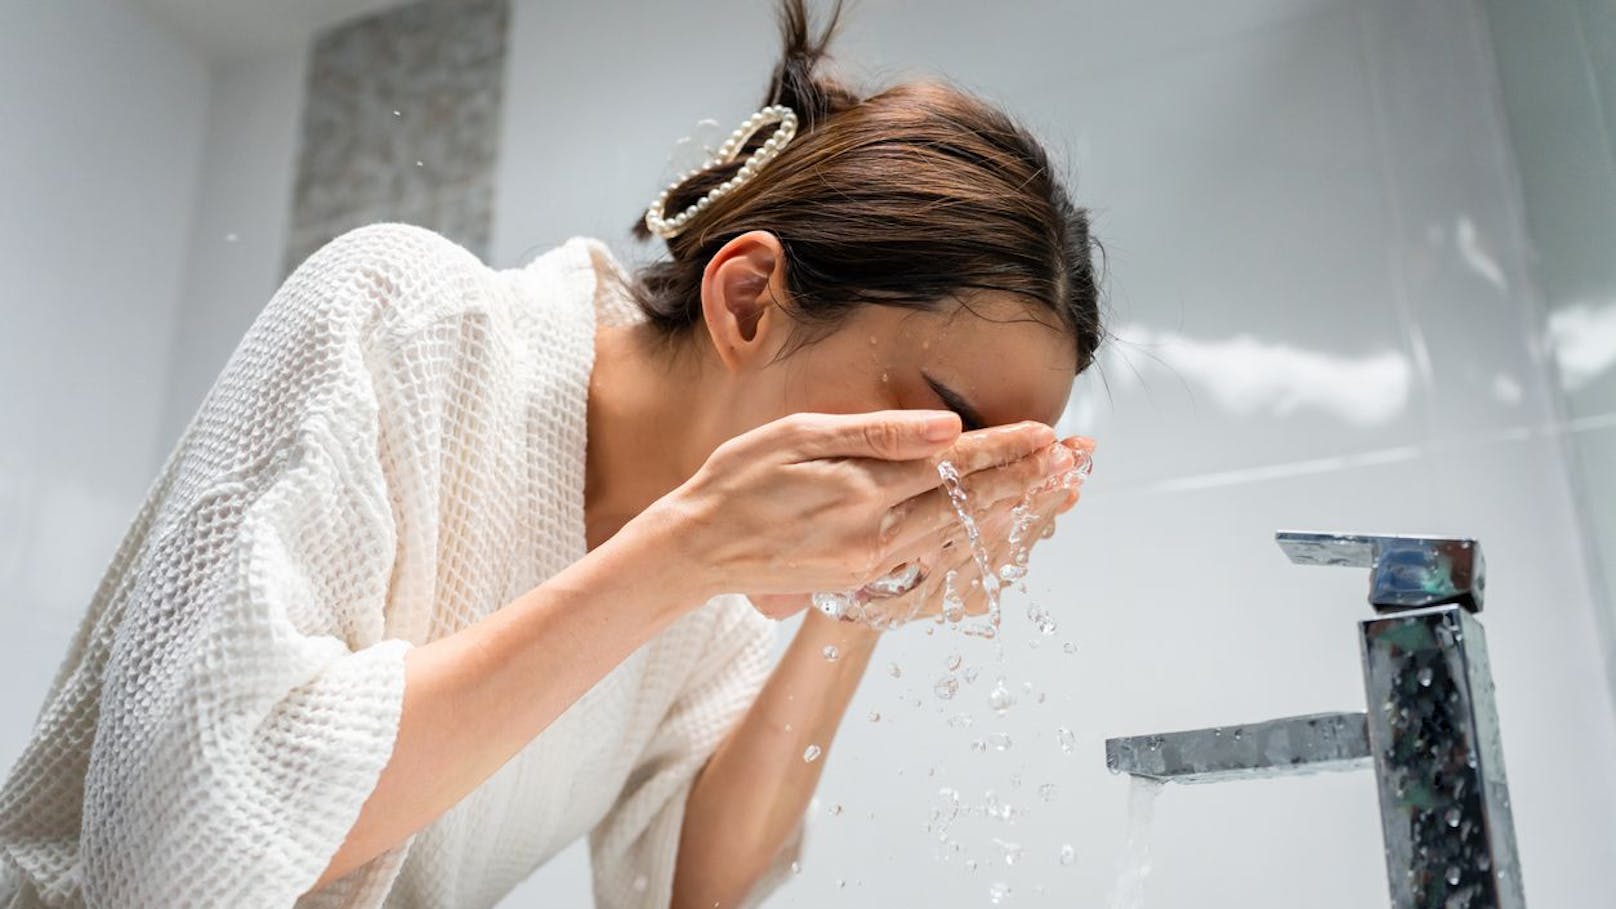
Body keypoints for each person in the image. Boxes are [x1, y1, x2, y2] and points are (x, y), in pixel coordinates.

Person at [0, 0, 1103, 906]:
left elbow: (690, 885)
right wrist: (674, 560)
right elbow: (170, 861)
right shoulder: (400, 320)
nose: (951, 497)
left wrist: (856, 597)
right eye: (943, 433)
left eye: (993, 468)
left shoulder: (725, 575)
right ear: (750, 300)